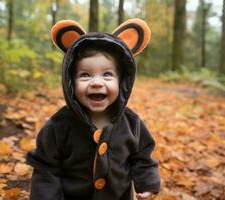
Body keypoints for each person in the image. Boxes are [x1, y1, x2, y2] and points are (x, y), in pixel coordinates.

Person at [26, 18, 160, 200]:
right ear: (70, 82)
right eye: (85, 75)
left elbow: (142, 156)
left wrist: (146, 182)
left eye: (107, 74)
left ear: (121, 81)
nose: (97, 82)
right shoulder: (59, 125)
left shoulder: (132, 123)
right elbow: (46, 168)